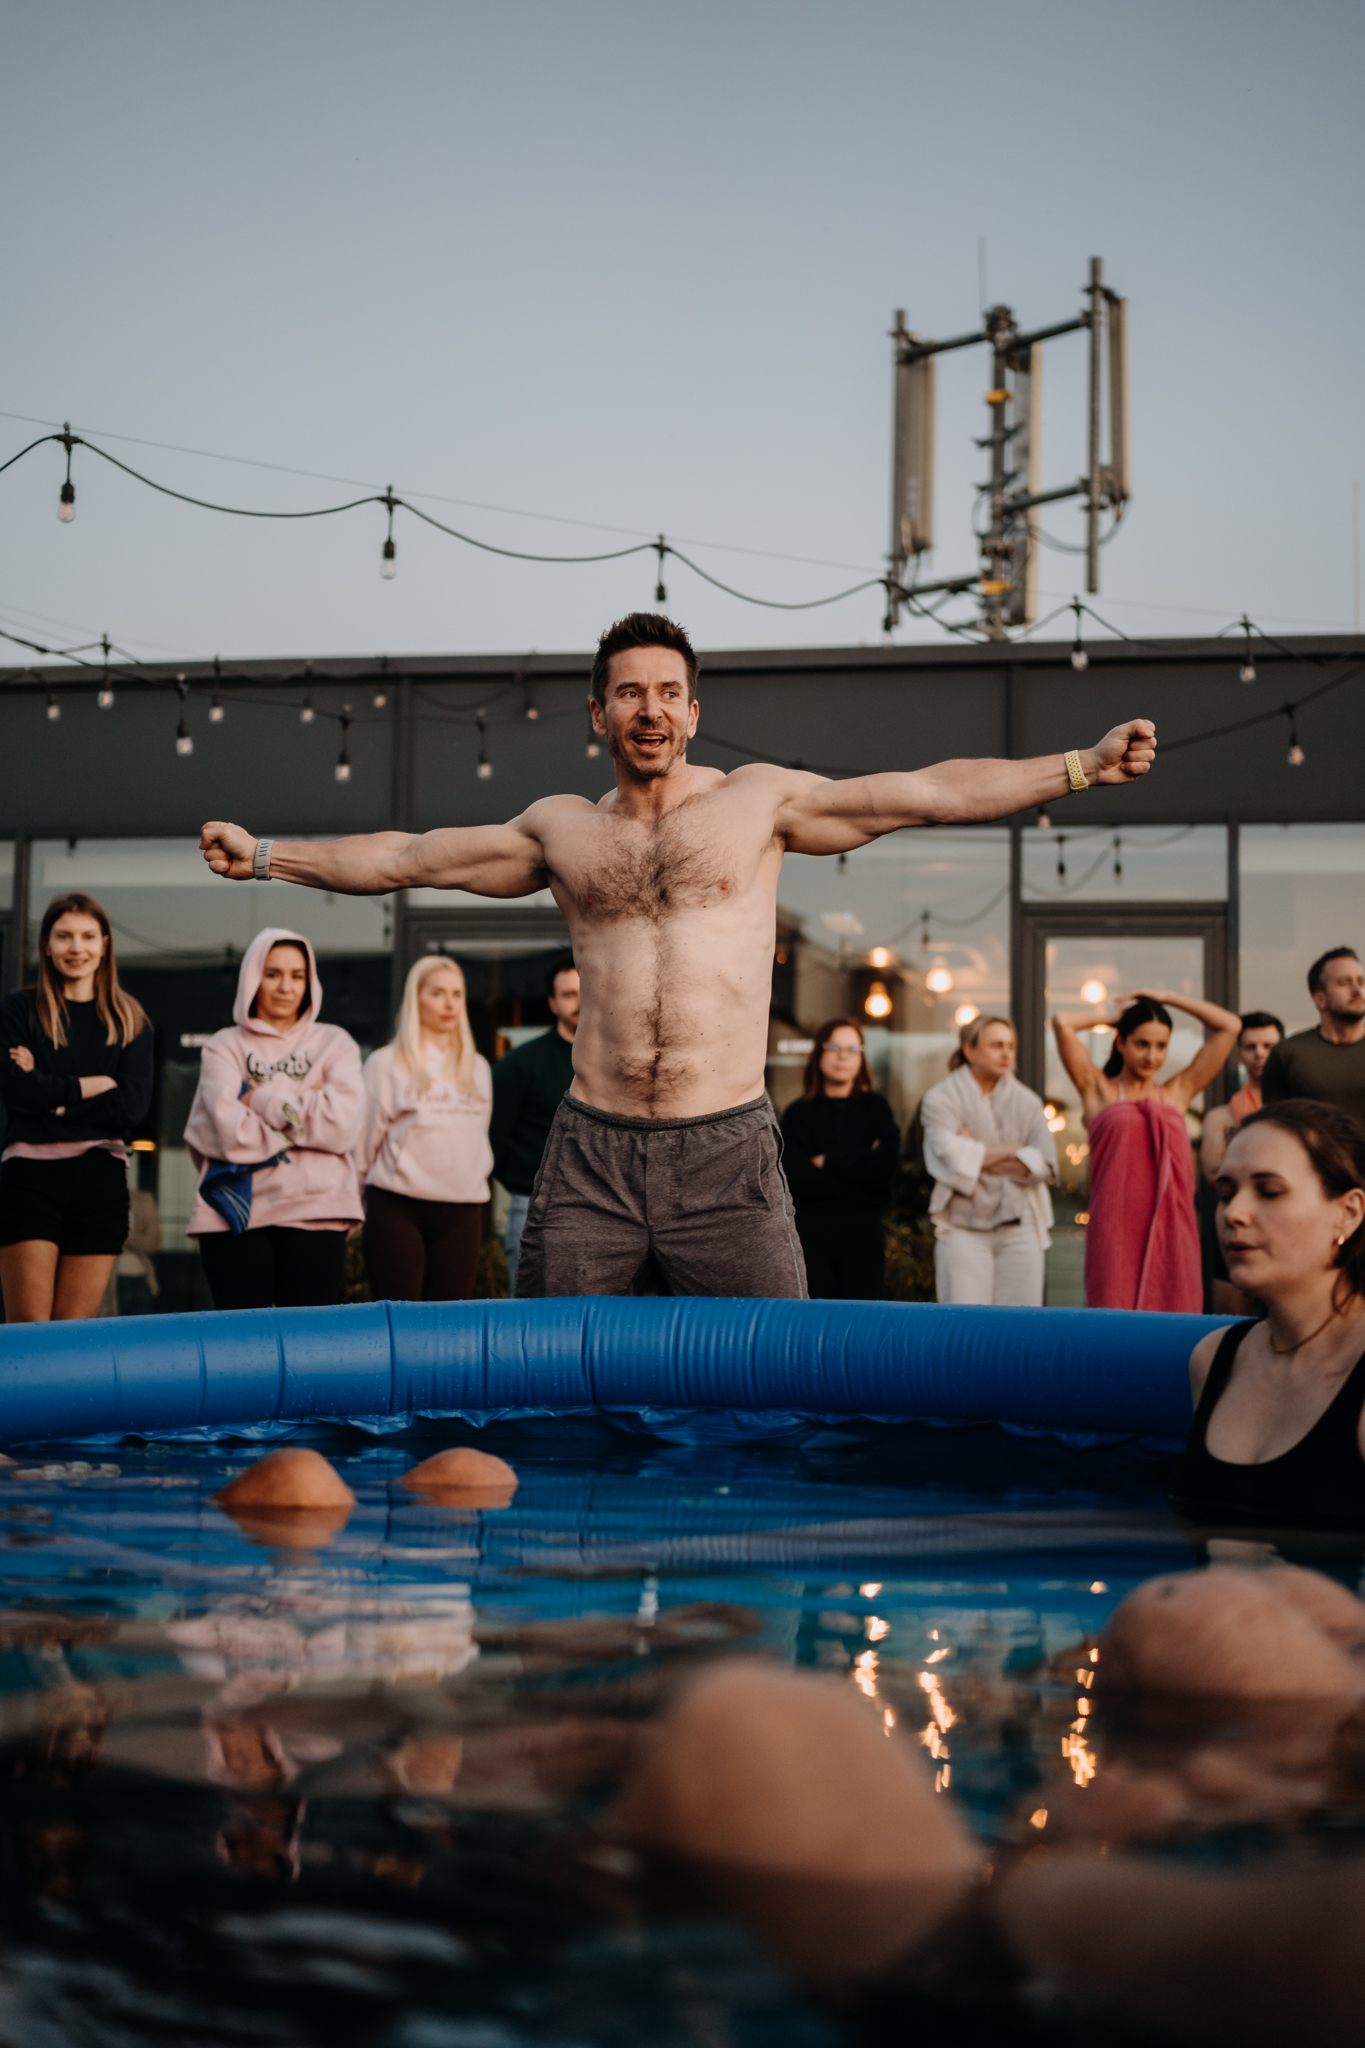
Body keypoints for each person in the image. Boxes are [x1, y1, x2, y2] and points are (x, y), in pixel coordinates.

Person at [200, 611, 1157, 1299]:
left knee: (767, 1391)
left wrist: (1080, 766)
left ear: (693, 713)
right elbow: (409, 859)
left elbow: (926, 793)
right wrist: (269, 860)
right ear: (598, 714)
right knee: (552, 1390)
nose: (648, 709)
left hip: (726, 1148)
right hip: (591, 1157)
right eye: (628, 694)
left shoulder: (758, 803)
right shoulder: (560, 830)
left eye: (667, 693)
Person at [1174, 1098, 1365, 1528]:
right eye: (1225, 1193)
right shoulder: (1215, 1360)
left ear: (1348, 1214)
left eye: (1269, 1191)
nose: (1233, 1214)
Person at [183, 928, 363, 1310]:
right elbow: (226, 1128)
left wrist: (257, 1099)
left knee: (309, 1346)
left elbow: (342, 1125)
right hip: (235, 1215)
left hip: (319, 1210)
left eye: (297, 976)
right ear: (252, 978)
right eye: (273, 974)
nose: (286, 987)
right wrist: (305, 1113)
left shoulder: (335, 1042)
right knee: (243, 1348)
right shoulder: (224, 1045)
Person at [0, 893, 153, 1323]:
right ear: (46, 945)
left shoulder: (130, 1019)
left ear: (105, 944)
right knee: (28, 1328)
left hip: (100, 1180)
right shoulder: (20, 1010)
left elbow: (130, 1109)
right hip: (30, 1177)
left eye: (87, 936)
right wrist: (93, 1085)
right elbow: (19, 1094)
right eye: (63, 936)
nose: (76, 948)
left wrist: (56, 1102)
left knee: (72, 1336)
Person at [1052, 988, 1241, 1312]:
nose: (1152, 1056)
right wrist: (1116, 1018)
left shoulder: (1178, 1092)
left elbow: (1230, 1026)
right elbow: (1062, 1022)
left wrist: (1167, 998)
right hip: (1115, 1229)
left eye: (1161, 1046)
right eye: (1141, 1044)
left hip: (1174, 1228)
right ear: (1121, 1043)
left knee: (1175, 1325)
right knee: (1112, 1323)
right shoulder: (1098, 1091)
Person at [356, 956, 493, 1301]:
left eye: (457, 994)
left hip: (463, 1213)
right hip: (397, 1208)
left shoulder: (477, 1068)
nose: (449, 1004)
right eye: (438, 993)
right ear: (416, 998)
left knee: (449, 1330)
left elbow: (478, 1140)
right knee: (402, 1324)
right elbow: (363, 1143)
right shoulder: (386, 1063)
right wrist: (351, 1207)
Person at [920, 1013, 1056, 1306]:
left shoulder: (1028, 1101)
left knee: (1020, 1328)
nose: (1006, 1053)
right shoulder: (940, 1098)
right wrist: (1014, 1149)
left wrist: (973, 1152)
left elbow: (1044, 1164)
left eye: (1010, 1045)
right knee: (965, 1327)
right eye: (996, 1045)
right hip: (962, 1227)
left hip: (1022, 1228)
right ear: (969, 1050)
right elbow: (951, 1156)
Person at [778, 1018, 897, 1298]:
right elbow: (795, 1178)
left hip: (864, 1237)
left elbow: (884, 1171)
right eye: (835, 1048)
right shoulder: (797, 1114)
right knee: (814, 1325)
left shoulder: (877, 1110)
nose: (843, 1057)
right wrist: (861, 1163)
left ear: (861, 1059)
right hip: (810, 1238)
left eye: (852, 1049)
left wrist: (827, 1162)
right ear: (819, 1054)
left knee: (861, 1327)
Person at [489, 959, 578, 1291]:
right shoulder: (521, 1064)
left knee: (596, 1318)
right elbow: (493, 1139)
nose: (580, 1002)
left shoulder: (617, 1059)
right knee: (527, 1316)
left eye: (586, 992)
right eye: (569, 994)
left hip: (608, 1211)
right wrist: (529, 1183)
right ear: (553, 1003)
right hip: (534, 1207)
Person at [1200, 1010, 1285, 1314]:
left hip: (1286, 1232)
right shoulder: (1219, 1117)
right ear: (1239, 1054)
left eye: (1268, 1046)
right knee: (1233, 1325)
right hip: (1234, 1231)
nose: (1259, 1054)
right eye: (1250, 1047)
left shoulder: (1300, 1113)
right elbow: (1213, 1174)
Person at [1262, 946, 1365, 1129]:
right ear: (1320, 999)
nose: (1357, 990)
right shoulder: (1287, 1053)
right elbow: (1273, 1128)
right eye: (1344, 983)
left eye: (1361, 982)